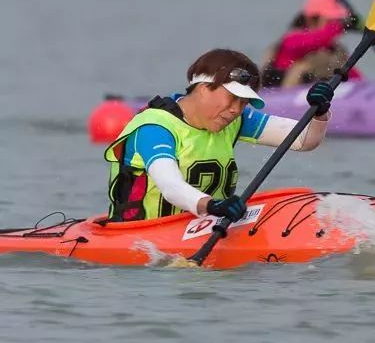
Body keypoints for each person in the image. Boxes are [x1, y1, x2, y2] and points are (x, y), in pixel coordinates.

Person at [105, 48, 337, 222]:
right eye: (232, 98)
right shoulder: (154, 128)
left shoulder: (234, 120)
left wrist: (320, 111)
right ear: (204, 88)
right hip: (143, 241)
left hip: (205, 225)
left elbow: (304, 140)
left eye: (244, 102)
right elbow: (171, 186)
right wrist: (213, 206)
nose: (237, 109)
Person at [261, 0, 363, 88]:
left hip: (317, 96)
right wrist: (342, 24)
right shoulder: (292, 39)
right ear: (311, 19)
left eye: (337, 20)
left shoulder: (333, 49)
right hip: (283, 96)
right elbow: (319, 38)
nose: (334, 24)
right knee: (301, 68)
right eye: (331, 20)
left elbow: (355, 77)